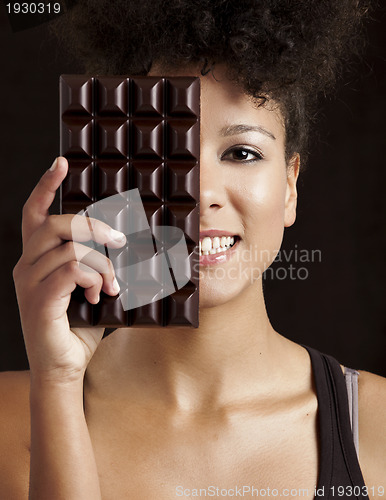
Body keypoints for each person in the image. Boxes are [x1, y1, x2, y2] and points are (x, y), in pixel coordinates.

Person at [1, 0, 385, 498]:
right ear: (112, 176)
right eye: (164, 152)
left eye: (241, 153)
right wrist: (56, 383)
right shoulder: (12, 422)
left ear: (290, 186)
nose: (200, 192)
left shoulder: (376, 429)